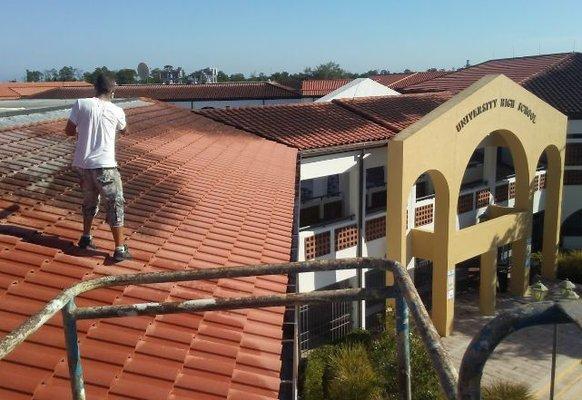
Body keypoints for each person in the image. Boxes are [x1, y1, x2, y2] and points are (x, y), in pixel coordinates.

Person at [65, 74, 131, 262]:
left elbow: (69, 130)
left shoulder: (81, 104)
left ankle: (86, 237)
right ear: (113, 90)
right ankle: (119, 248)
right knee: (115, 204)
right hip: (105, 167)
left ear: (95, 88)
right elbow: (125, 130)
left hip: (83, 166)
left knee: (89, 202)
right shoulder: (117, 110)